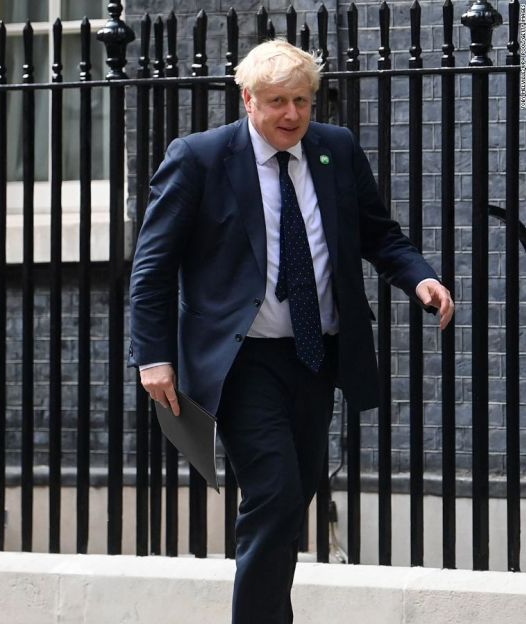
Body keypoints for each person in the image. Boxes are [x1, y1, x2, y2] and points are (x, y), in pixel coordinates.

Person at [129, 40, 454, 623]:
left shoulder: (335, 150)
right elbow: (153, 267)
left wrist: (419, 279)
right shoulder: (199, 158)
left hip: (315, 354)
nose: (292, 115)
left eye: (302, 101)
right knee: (274, 494)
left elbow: (379, 234)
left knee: (292, 496)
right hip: (242, 362)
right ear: (247, 100)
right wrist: (153, 357)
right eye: (277, 101)